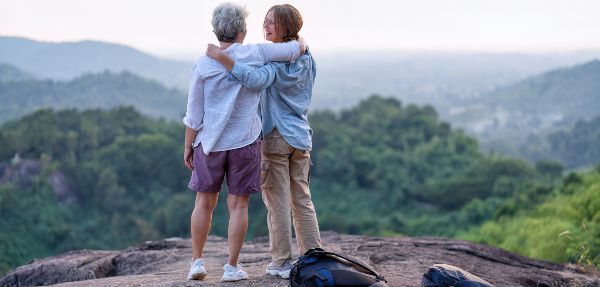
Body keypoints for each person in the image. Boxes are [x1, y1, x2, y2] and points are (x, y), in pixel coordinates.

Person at [182, 2, 304, 282]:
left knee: (203, 203)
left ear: (216, 30)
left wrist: (188, 145)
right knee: (238, 205)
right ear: (242, 31)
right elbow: (295, 48)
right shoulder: (256, 53)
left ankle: (197, 263)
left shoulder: (202, 64)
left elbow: (193, 114)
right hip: (245, 142)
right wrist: (303, 39)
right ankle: (231, 267)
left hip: (209, 144)